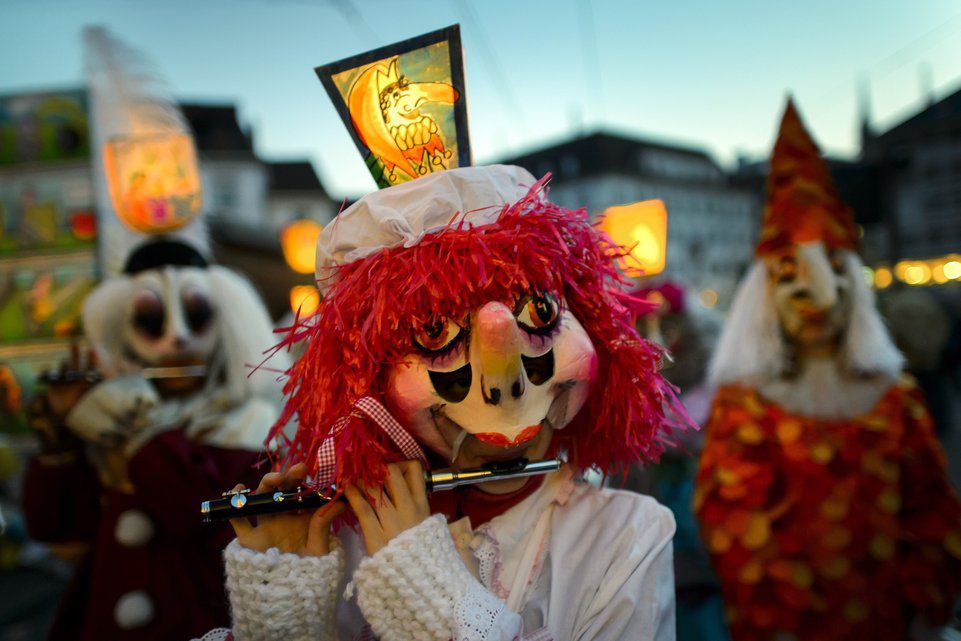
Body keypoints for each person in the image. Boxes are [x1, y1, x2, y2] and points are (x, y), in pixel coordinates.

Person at [200, 162, 687, 641]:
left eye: (539, 313)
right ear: (369, 375)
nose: (506, 387)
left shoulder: (627, 534)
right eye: (436, 333)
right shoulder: (338, 537)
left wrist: (431, 595)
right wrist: (284, 620)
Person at [20, 27, 288, 641]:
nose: (174, 339)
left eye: (196, 318)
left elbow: (196, 509)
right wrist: (61, 445)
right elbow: (55, 526)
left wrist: (129, 422)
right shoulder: (103, 411)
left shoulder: (254, 428)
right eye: (149, 320)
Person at [694, 98, 961, 641]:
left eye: (835, 272)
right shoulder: (744, 406)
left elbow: (931, 509)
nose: (815, 300)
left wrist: (925, 608)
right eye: (789, 276)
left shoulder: (895, 397)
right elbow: (735, 528)